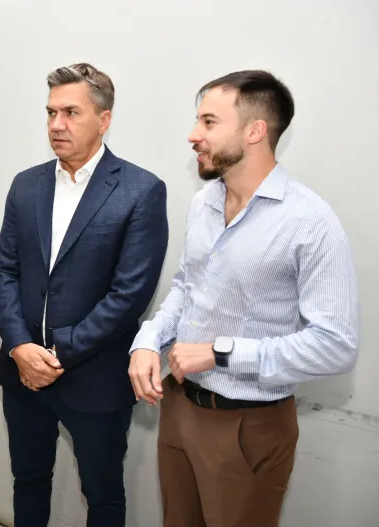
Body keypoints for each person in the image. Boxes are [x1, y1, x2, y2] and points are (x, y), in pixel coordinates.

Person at [128, 70, 360, 527]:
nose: (193, 135)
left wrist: (220, 352)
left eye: (209, 122)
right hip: (178, 406)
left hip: (248, 425)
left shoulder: (310, 222)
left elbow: (336, 346)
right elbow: (186, 287)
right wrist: (148, 341)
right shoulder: (205, 202)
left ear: (255, 131)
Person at [0, 63, 169, 527]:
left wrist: (56, 353)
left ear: (103, 120)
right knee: (28, 479)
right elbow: (5, 270)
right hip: (23, 372)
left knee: (103, 494)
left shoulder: (141, 190)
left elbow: (129, 294)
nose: (57, 124)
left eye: (71, 112)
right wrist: (19, 347)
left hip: (94, 377)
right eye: (51, 112)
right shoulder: (26, 184)